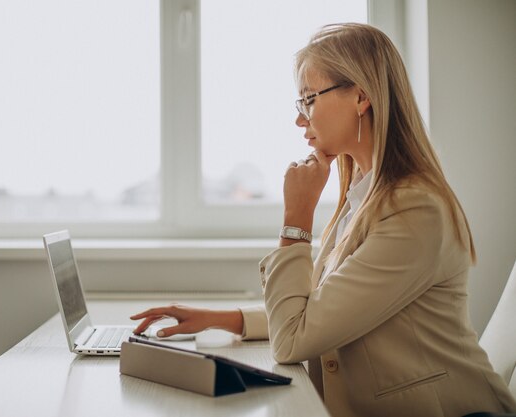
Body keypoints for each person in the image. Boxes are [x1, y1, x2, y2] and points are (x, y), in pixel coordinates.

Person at [130, 23, 516, 417]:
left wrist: (296, 218)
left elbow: (294, 339)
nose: (301, 120)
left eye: (309, 100)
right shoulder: (363, 199)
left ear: (362, 96)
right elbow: (324, 311)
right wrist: (220, 320)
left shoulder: (414, 212)